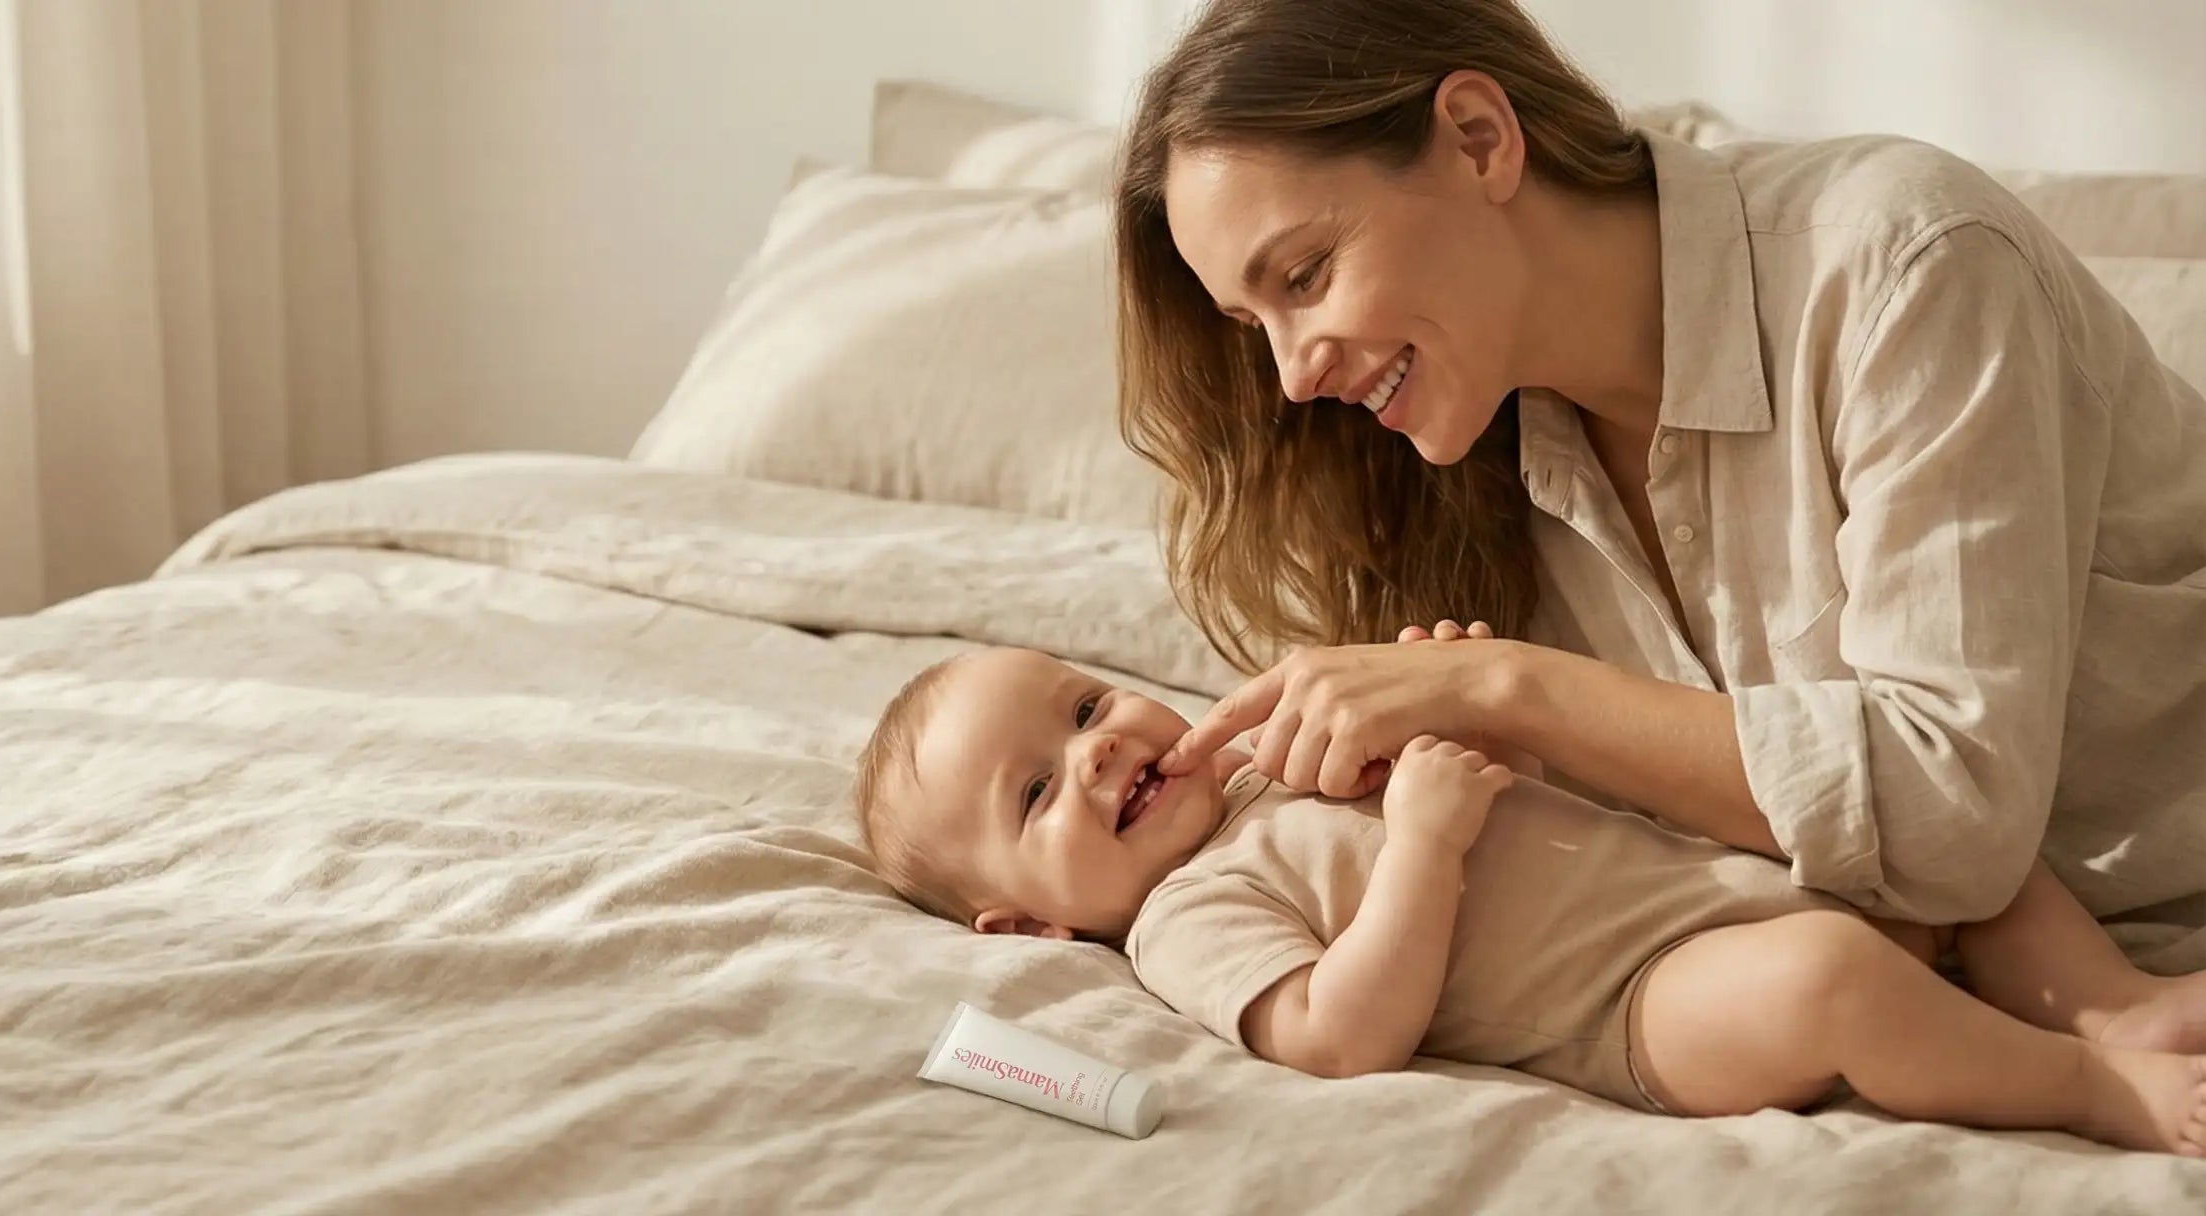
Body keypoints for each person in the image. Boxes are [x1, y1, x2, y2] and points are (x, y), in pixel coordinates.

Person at [1111, 0, 2206, 973]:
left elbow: (1955, 818)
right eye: (1256, 327)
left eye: (1305, 276)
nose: (1295, 375)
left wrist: (1508, 687)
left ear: (1478, 140)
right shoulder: (1455, 470)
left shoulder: (1905, 265)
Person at [851, 644, 2206, 1152]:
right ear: (1029, 928)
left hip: (1719, 878)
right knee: (1826, 985)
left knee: (1926, 830)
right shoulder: (1184, 916)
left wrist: (1451, 703)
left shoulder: (1271, 756)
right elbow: (1334, 1031)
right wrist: (1420, 847)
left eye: (1083, 707)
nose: (1092, 752)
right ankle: (2095, 1094)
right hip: (1641, 1008)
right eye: (1033, 797)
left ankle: (2110, 1006)